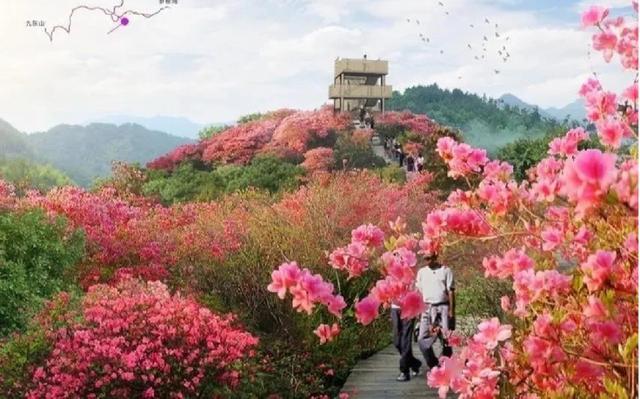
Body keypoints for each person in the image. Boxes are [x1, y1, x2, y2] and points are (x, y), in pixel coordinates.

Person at [415, 252, 455, 369]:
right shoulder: (422, 272)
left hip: (443, 306)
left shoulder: (446, 270)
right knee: (422, 338)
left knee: (446, 338)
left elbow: (451, 292)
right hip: (427, 307)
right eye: (425, 259)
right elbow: (419, 292)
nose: (427, 261)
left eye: (429, 258)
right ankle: (432, 363)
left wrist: (451, 311)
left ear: (435, 257)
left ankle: (446, 364)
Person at [391, 303, 422, 381]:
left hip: (409, 307)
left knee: (405, 339)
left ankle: (404, 371)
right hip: (395, 307)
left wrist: (418, 309)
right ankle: (414, 363)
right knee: (397, 342)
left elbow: (418, 291)